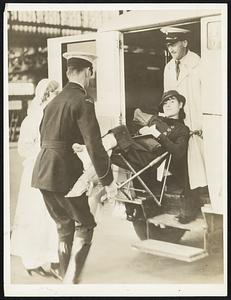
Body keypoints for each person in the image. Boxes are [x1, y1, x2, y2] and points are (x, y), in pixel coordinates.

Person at [31, 52, 117, 284]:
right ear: (89, 72)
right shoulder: (83, 100)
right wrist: (108, 181)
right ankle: (71, 280)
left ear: (69, 72)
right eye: (91, 74)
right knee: (86, 224)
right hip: (65, 173)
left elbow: (45, 137)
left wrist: (70, 144)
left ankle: (64, 276)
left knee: (64, 224)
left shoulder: (53, 102)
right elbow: (94, 145)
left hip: (42, 172)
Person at [69, 90, 190, 222]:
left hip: (149, 157)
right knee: (106, 153)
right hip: (136, 150)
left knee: (120, 131)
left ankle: (90, 151)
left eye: (172, 101)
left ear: (181, 105)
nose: (168, 105)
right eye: (165, 103)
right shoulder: (157, 120)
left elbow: (178, 152)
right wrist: (141, 131)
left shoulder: (182, 129)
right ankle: (85, 181)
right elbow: (139, 134)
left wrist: (157, 135)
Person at [11, 79, 60, 277]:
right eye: (56, 93)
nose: (58, 97)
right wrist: (44, 153)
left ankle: (48, 258)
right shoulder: (31, 119)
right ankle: (31, 260)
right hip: (36, 170)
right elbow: (23, 148)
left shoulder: (55, 116)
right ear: (47, 95)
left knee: (50, 216)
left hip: (53, 170)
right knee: (35, 214)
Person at [161, 26, 208, 222]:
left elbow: (207, 95)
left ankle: (195, 206)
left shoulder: (199, 63)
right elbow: (167, 97)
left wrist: (203, 123)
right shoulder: (169, 67)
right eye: (168, 45)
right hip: (179, 125)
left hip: (197, 124)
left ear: (185, 42)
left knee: (199, 167)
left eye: (174, 43)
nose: (171, 48)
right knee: (181, 166)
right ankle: (188, 205)